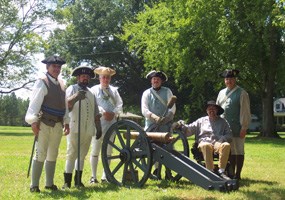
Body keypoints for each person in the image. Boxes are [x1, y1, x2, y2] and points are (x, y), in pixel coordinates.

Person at [25, 55, 70, 193]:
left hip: (57, 124)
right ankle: (34, 185)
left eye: (59, 67)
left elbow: (65, 107)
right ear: (47, 67)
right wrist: (33, 122)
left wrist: (66, 122)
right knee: (40, 153)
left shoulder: (62, 84)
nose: (56, 69)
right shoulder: (42, 82)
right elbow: (34, 104)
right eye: (54, 66)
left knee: (53, 154)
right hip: (43, 123)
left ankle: (49, 184)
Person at [62, 66, 102, 189]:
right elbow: (66, 105)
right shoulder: (72, 89)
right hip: (74, 126)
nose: (85, 78)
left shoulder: (91, 93)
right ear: (78, 77)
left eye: (87, 77)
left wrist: (98, 127)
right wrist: (76, 97)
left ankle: (78, 181)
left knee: (82, 155)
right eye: (83, 76)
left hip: (88, 128)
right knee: (71, 154)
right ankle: (67, 183)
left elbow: (96, 112)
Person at [174, 100, 232, 180]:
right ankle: (210, 172)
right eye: (209, 109)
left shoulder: (223, 122)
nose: (211, 111)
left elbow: (229, 135)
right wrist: (181, 126)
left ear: (217, 110)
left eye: (213, 109)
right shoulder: (200, 121)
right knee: (206, 145)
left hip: (218, 144)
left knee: (226, 145)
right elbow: (189, 130)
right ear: (206, 110)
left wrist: (221, 140)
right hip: (204, 143)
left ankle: (221, 171)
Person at [89, 66, 123, 183]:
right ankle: (93, 177)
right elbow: (92, 104)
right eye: (103, 77)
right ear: (99, 78)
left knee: (109, 151)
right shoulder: (93, 90)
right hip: (98, 123)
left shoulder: (114, 90)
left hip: (111, 123)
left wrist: (113, 113)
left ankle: (105, 176)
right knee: (95, 150)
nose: (105, 79)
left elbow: (120, 104)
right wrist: (103, 112)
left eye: (107, 78)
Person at [216, 69, 251, 180]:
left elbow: (245, 111)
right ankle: (229, 173)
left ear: (235, 79)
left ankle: (238, 174)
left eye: (231, 79)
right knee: (228, 151)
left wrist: (244, 127)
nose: (228, 81)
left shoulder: (242, 93)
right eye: (227, 79)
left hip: (237, 127)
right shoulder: (221, 93)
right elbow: (217, 109)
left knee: (238, 151)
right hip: (223, 129)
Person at [141, 70, 176, 178]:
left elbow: (173, 108)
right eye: (154, 79)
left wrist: (167, 118)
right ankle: (156, 170)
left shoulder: (167, 91)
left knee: (168, 148)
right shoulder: (146, 93)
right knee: (154, 148)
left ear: (161, 81)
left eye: (158, 79)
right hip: (151, 126)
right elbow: (144, 109)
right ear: (151, 81)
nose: (156, 80)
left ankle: (168, 171)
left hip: (165, 125)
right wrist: (154, 117)